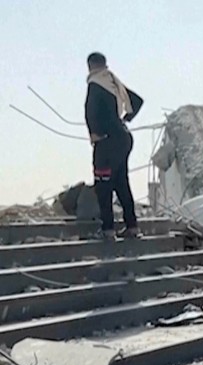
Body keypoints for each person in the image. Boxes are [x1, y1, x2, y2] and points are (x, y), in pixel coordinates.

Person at [84, 52, 144, 239]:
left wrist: (94, 133)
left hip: (107, 141)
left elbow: (90, 111)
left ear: (90, 66)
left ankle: (108, 230)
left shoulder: (95, 83)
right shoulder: (112, 82)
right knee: (121, 182)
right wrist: (125, 119)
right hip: (123, 138)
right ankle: (132, 226)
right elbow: (137, 101)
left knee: (103, 185)